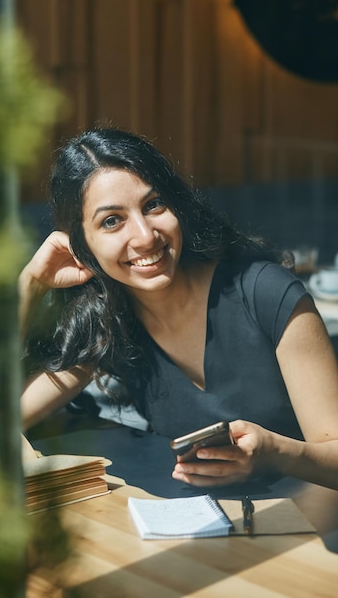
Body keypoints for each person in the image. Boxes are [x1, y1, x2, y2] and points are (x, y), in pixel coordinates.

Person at [19, 127, 338, 490]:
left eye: (153, 204)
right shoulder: (111, 321)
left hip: (317, 528)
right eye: (112, 221)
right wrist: (29, 284)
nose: (145, 236)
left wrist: (275, 452)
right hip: (207, 530)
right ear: (83, 244)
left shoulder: (266, 292)